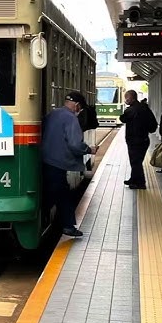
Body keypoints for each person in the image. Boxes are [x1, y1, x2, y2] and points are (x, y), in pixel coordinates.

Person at [41, 91, 98, 237]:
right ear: (77, 106)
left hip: (45, 160)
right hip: (58, 163)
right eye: (80, 109)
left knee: (57, 192)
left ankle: (65, 225)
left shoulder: (52, 114)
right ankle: (66, 226)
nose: (79, 111)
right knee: (61, 194)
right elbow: (75, 145)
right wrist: (88, 149)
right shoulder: (71, 119)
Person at [119, 90, 158, 189]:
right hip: (144, 139)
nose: (125, 100)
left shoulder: (131, 110)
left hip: (134, 140)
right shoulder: (144, 108)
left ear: (131, 98)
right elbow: (153, 124)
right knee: (137, 161)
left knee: (135, 162)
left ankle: (141, 183)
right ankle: (133, 179)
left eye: (126, 98)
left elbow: (122, 118)